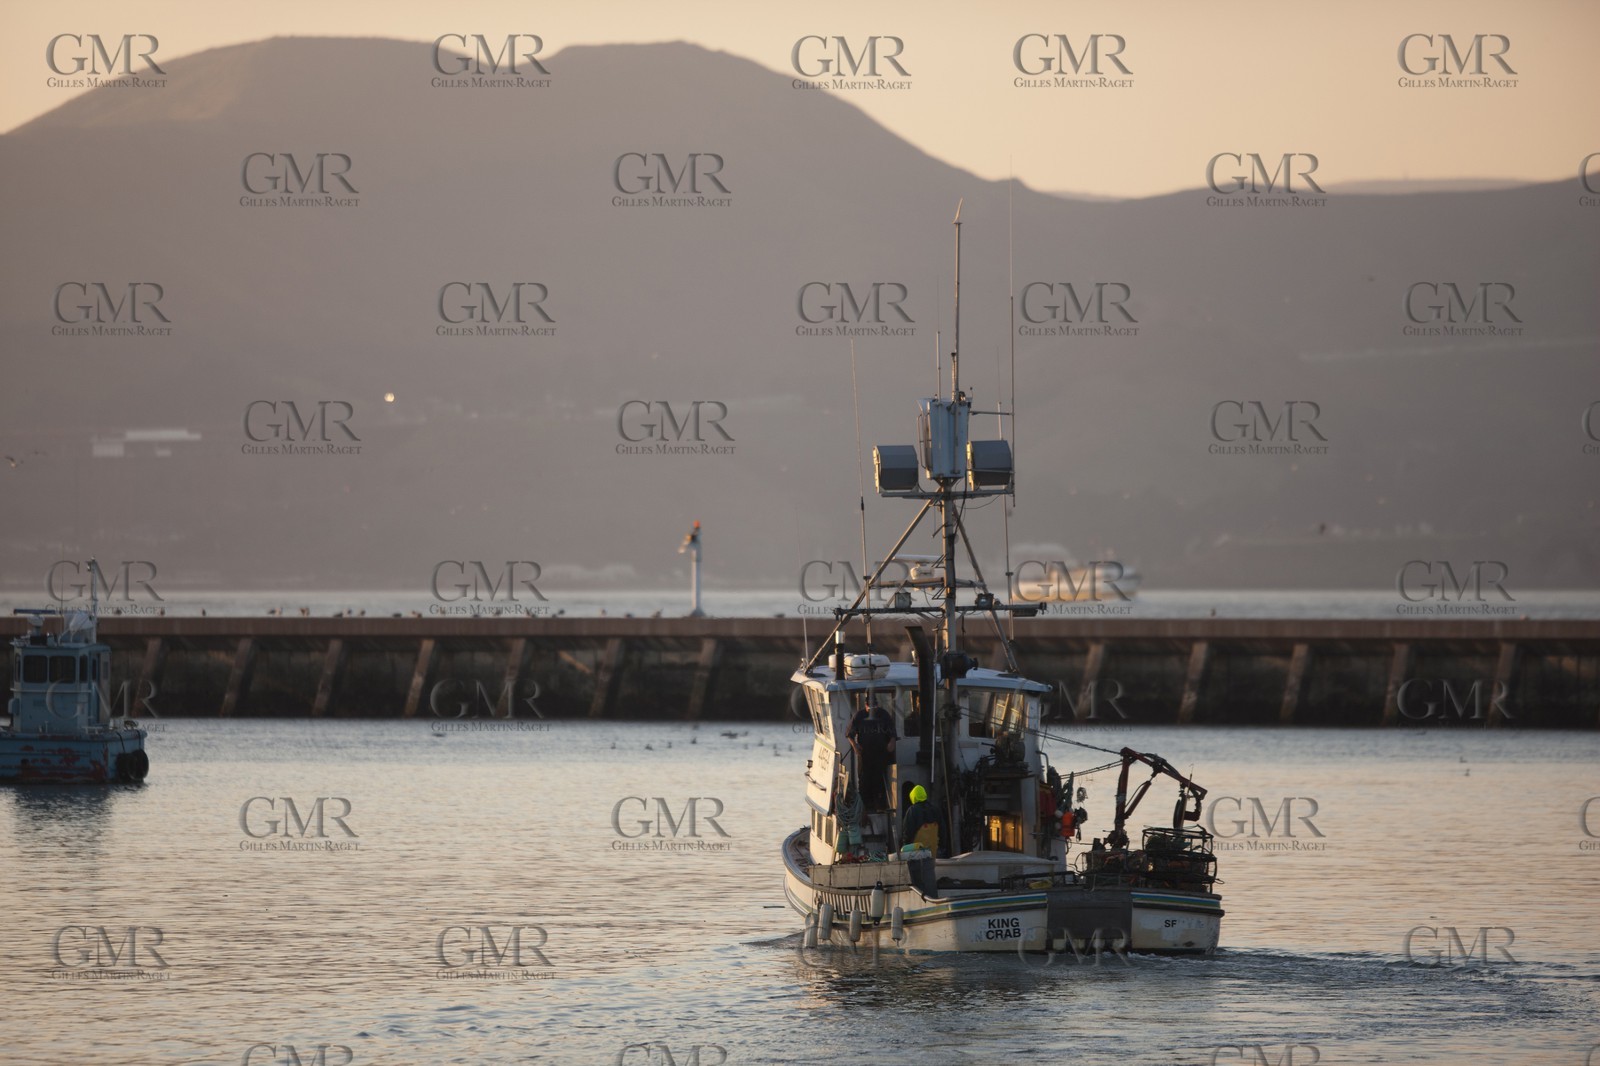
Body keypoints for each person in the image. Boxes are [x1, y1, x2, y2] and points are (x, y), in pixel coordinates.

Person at [846, 694, 896, 812]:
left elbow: (893, 733)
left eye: (875, 706)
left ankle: (880, 807)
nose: (873, 709)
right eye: (870, 706)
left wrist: (892, 742)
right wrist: (855, 746)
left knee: (879, 780)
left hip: (881, 754)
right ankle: (864, 808)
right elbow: (849, 734)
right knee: (864, 781)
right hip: (864, 755)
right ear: (866, 705)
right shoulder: (859, 716)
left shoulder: (884, 715)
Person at [901, 784, 940, 853]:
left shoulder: (912, 810)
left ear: (913, 797)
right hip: (933, 852)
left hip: (917, 855)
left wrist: (905, 847)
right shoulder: (935, 809)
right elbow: (943, 831)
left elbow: (907, 833)